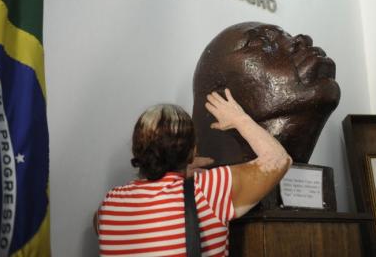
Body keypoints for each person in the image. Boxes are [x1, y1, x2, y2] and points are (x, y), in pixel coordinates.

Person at [96, 88, 292, 256]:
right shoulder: (205, 191)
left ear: (136, 149)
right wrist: (239, 119)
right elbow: (279, 160)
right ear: (193, 151)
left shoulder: (109, 205)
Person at [192, 22, 341, 165]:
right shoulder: (212, 185)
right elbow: (278, 162)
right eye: (260, 41)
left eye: (286, 36)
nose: (302, 39)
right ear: (219, 102)